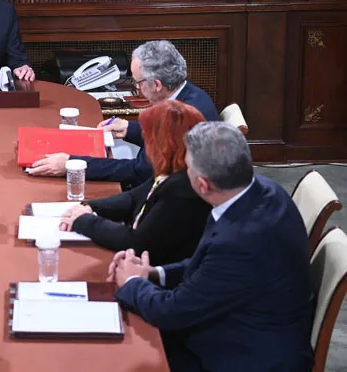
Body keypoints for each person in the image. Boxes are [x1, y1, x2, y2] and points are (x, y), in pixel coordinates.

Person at [109, 122, 313, 372]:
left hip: (243, 356)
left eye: (187, 169)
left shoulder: (238, 242)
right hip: (243, 322)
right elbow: (208, 265)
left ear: (203, 184)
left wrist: (131, 283)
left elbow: (171, 313)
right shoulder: (264, 191)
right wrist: (154, 273)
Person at [28, 40, 219, 188]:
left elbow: (140, 171)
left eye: (137, 83)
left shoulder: (182, 117)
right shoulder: (191, 94)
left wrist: (72, 164)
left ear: (157, 85)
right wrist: (129, 129)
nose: (136, 88)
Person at [59, 101, 211, 266]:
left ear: (164, 143)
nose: (145, 140)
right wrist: (91, 207)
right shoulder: (174, 168)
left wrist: (84, 221)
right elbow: (133, 197)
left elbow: (136, 242)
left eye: (148, 136)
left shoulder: (182, 188)